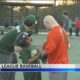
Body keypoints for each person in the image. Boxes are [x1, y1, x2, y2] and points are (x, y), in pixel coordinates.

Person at [0, 15, 36, 80]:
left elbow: (25, 39)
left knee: (14, 62)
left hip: (9, 49)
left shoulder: (22, 28)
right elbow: (17, 48)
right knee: (5, 73)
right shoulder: (21, 32)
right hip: (3, 50)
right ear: (32, 25)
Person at [41, 15, 69, 80]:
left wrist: (42, 54)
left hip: (56, 65)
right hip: (64, 64)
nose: (46, 28)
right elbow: (66, 45)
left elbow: (49, 49)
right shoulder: (63, 30)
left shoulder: (52, 32)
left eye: (45, 25)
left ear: (48, 22)